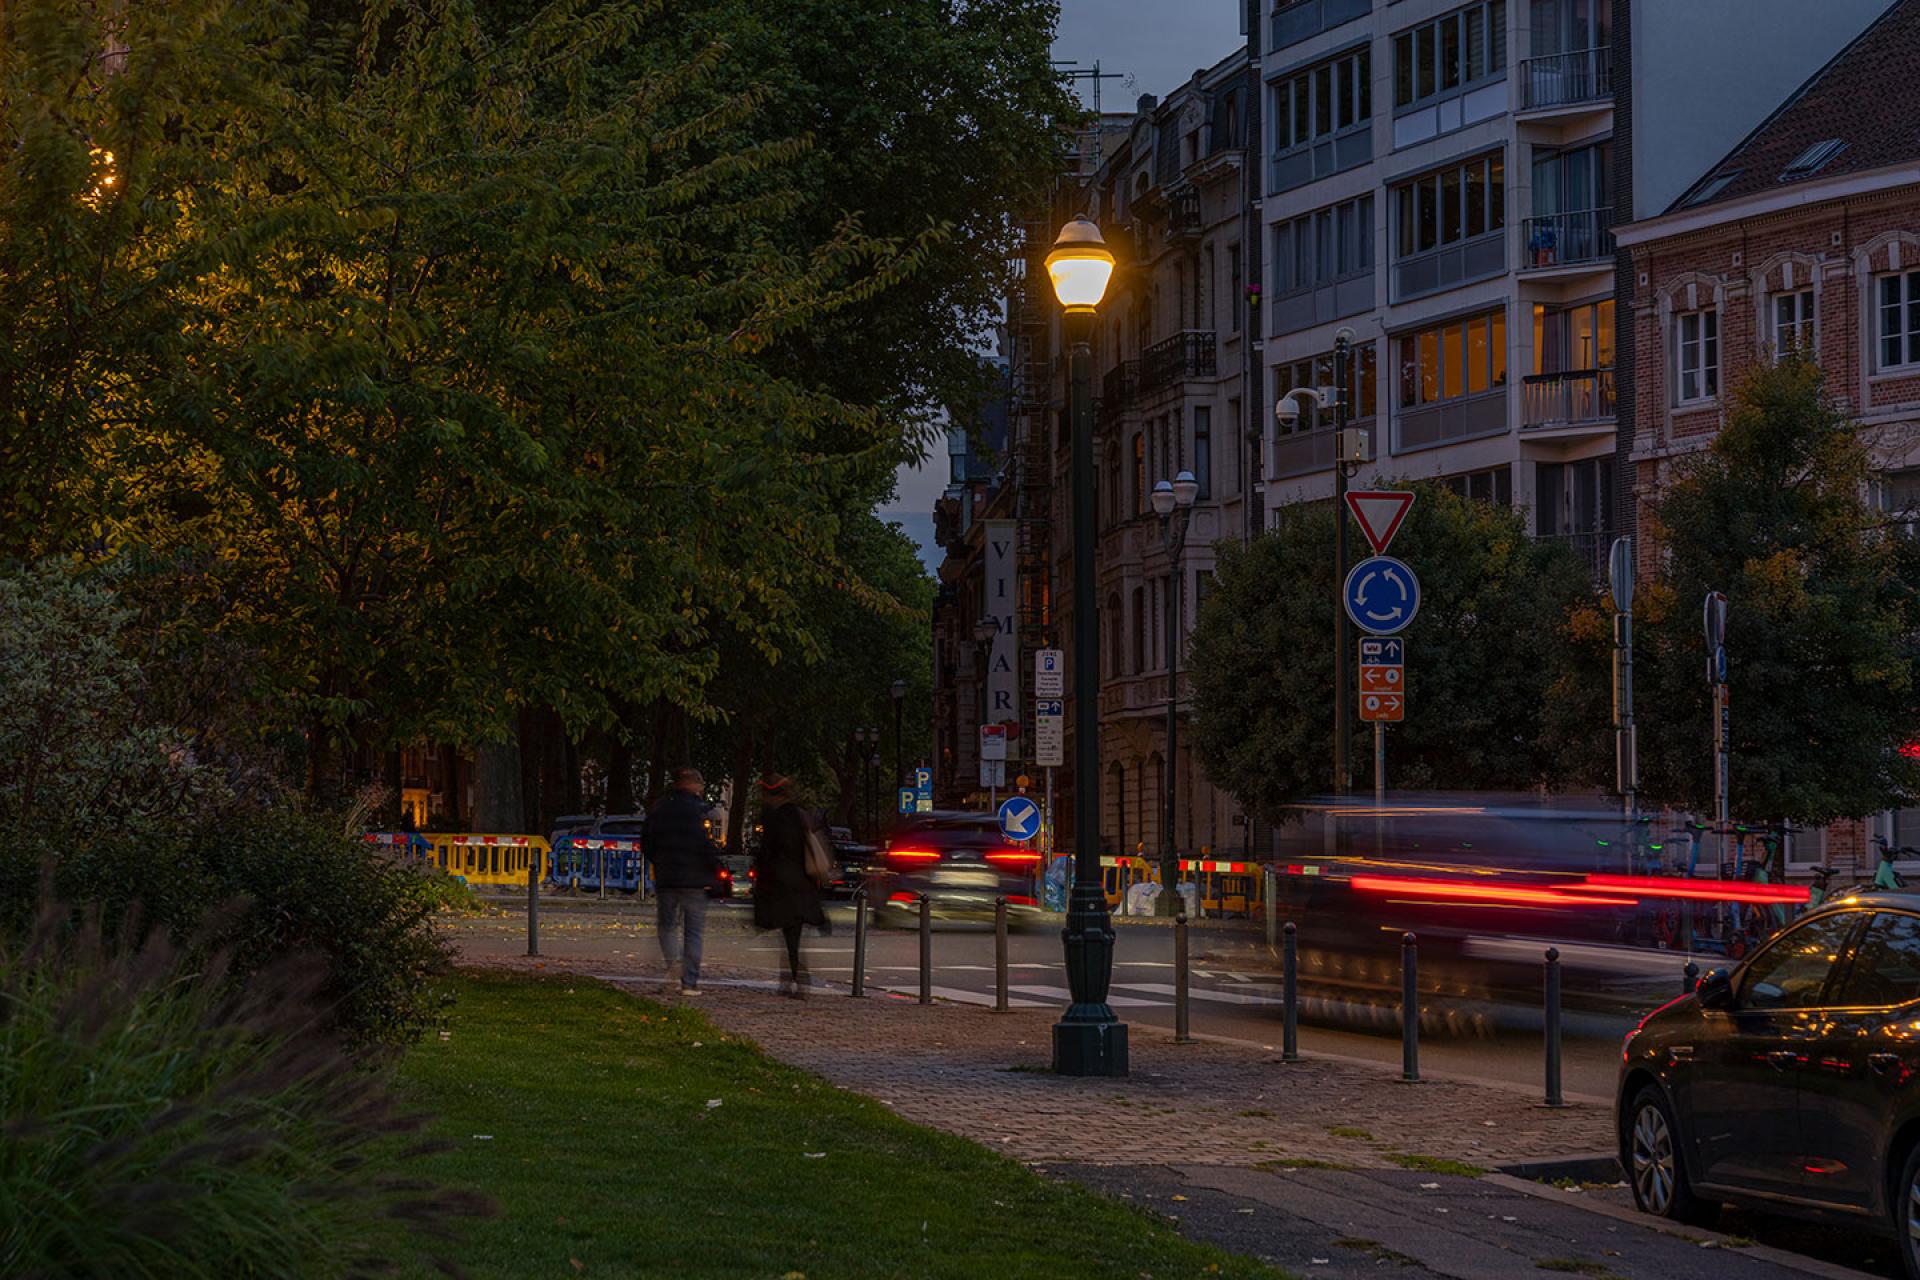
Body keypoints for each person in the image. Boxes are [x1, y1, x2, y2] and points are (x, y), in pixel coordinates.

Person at [642, 766, 722, 996]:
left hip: (667, 876)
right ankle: (689, 982)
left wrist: (658, 860)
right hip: (695, 879)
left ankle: (674, 963)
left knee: (666, 926)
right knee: (693, 932)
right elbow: (705, 845)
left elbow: (647, 840)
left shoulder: (660, 808)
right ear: (695, 785)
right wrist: (713, 871)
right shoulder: (699, 811)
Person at [753, 775, 829, 998]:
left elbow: (767, 853)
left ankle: (791, 979)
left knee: (788, 936)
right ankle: (795, 978)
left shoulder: (774, 819)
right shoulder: (800, 816)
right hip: (802, 884)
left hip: (781, 886)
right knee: (793, 935)